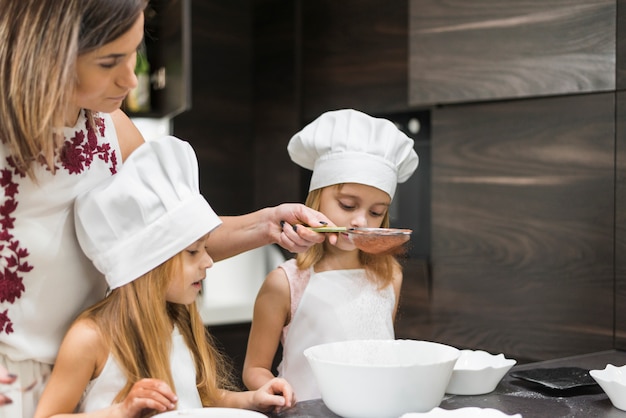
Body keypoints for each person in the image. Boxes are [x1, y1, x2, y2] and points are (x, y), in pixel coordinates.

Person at [0, 1, 331, 416]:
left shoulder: (110, 126)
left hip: (105, 374)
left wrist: (269, 224)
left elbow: (169, 235)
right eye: (108, 62)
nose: (128, 77)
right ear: (47, 53)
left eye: (134, 52)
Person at [34, 136, 295, 417]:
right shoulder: (90, 338)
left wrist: (253, 400)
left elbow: (201, 398)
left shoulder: (179, 322)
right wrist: (122, 411)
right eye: (193, 252)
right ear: (150, 263)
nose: (208, 262)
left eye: (205, 248)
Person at [242, 109, 420, 401]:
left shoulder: (390, 276)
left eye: (376, 212)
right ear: (316, 199)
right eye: (348, 205)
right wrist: (272, 388)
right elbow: (254, 368)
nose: (361, 221)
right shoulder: (284, 283)